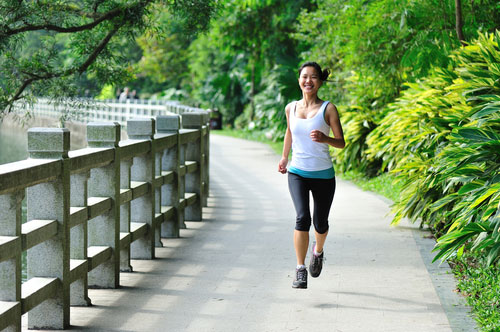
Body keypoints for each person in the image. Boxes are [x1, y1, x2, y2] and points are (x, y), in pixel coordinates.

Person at [278, 61, 345, 289]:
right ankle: (300, 269)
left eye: (313, 77)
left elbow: (341, 142)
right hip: (297, 172)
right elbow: (289, 131)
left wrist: (325, 139)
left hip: (323, 174)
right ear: (299, 80)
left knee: (320, 222)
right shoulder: (291, 108)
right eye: (304, 76)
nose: (308, 81)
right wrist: (285, 157)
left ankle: (317, 252)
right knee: (302, 218)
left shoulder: (329, 109)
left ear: (320, 81)